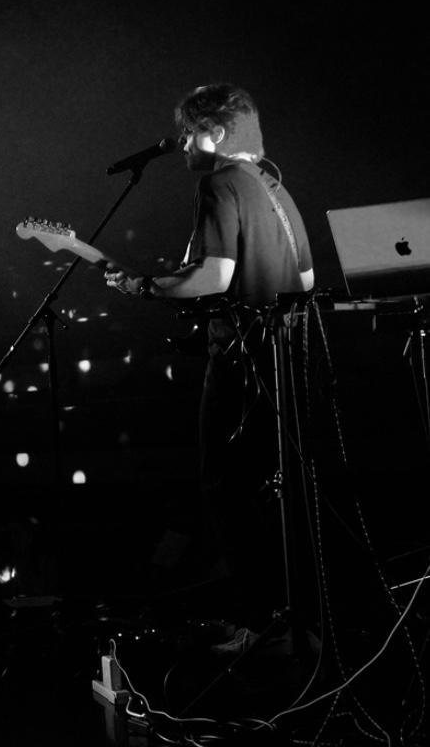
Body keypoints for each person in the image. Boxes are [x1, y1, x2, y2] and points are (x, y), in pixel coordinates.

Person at [106, 84, 314, 652]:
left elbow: (214, 276)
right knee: (277, 496)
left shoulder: (218, 182)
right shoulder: (275, 187)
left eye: (189, 133)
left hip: (239, 362)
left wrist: (144, 287)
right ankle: (295, 624)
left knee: (227, 488)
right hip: (283, 362)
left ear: (216, 133)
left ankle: (260, 625)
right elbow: (306, 281)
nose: (182, 145)